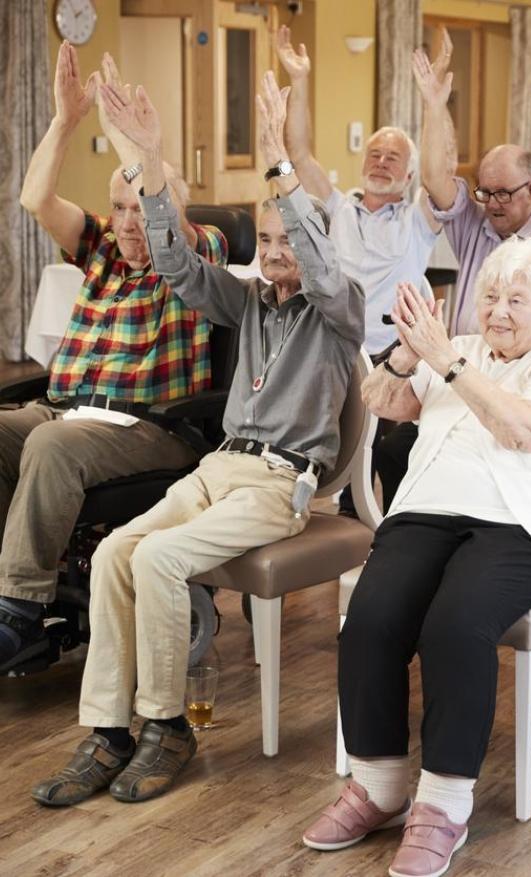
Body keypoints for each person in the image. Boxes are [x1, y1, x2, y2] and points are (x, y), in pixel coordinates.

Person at [30, 71, 363, 807]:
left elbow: (320, 256)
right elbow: (176, 265)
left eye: (288, 241)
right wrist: (151, 158)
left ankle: (168, 725)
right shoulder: (247, 302)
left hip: (281, 483)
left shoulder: (340, 312)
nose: (276, 252)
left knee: (158, 557)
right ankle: (111, 736)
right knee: (118, 550)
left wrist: (279, 158)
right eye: (267, 240)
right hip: (220, 468)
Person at [302, 238, 531, 877]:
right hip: (426, 512)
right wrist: (409, 358)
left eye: (517, 300)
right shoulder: (452, 347)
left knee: (456, 626)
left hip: (518, 523)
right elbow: (385, 403)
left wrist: (449, 364)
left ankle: (442, 804)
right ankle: (378, 787)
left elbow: (522, 430)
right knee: (371, 618)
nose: (498, 311)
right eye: (490, 296)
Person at [0, 42, 226, 671]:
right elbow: (34, 199)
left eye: (141, 208)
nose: (130, 223)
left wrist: (141, 149)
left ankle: (18, 611)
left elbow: (167, 226)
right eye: (119, 208)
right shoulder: (99, 248)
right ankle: (6, 590)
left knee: (50, 449)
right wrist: (66, 120)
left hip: (152, 428)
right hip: (66, 412)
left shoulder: (195, 256)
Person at [273, 25, 450, 513]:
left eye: (394, 158)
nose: (381, 162)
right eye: (374, 154)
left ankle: (396, 523)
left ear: (409, 174)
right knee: (340, 457)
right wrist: (300, 79)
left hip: (399, 352)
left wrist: (434, 106)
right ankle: (337, 513)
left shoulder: (418, 216)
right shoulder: (337, 208)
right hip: (341, 350)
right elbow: (298, 154)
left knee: (397, 458)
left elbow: (441, 177)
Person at [413, 40, 531, 336]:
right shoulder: (474, 224)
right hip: (465, 363)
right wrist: (433, 105)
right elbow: (433, 179)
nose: (492, 204)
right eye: (485, 192)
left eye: (504, 194)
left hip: (529, 370)